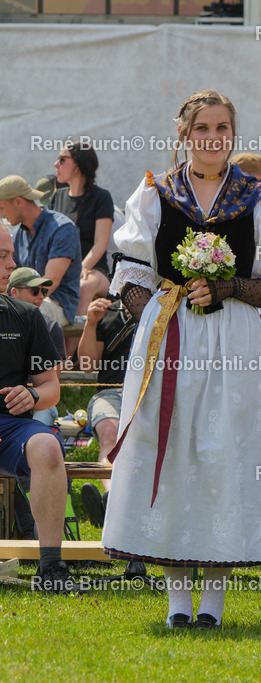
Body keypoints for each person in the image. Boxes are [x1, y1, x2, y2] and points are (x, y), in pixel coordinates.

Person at [101, 89, 261, 630]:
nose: (214, 138)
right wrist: (159, 318)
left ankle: (212, 601)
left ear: (234, 135)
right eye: (204, 128)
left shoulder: (259, 198)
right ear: (185, 134)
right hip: (169, 336)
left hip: (234, 340)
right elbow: (133, 271)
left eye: (224, 129)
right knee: (171, 452)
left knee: (223, 455)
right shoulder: (154, 193)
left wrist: (228, 285)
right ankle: (176, 602)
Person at [0, 223, 72, 592]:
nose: (12, 263)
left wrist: (31, 395)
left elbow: (51, 389)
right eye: (2, 256)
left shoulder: (26, 316)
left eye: (11, 254)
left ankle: (51, 567)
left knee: (47, 444)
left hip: (10, 427)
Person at [76, 294, 136, 524]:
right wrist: (91, 323)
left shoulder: (163, 308)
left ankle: (114, 507)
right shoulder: (108, 312)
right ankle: (112, 496)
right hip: (110, 393)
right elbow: (88, 366)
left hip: (152, 393)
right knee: (109, 434)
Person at [0, 175, 81, 327]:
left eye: (2, 208)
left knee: (21, 316)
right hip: (22, 299)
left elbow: (50, 283)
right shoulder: (17, 233)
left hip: (56, 303)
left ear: (18, 201)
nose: (1, 214)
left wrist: (16, 303)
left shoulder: (62, 228)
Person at [49, 140, 115, 318]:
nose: (56, 164)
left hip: (93, 270)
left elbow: (101, 243)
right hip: (60, 268)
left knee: (83, 286)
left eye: (62, 159)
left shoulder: (102, 197)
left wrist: (80, 268)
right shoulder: (57, 197)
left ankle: (75, 346)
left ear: (78, 164)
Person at [6, 266, 65, 425]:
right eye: (34, 291)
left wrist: (31, 395)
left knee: (41, 435)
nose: (41, 296)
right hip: (7, 407)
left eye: (44, 291)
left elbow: (52, 384)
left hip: (38, 404)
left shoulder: (51, 327)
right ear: (13, 292)